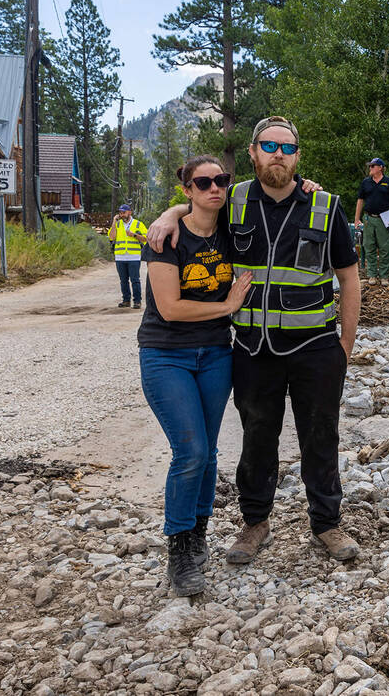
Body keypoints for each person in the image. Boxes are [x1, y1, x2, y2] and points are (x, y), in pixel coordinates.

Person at [149, 115, 362, 564]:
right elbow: (194, 210)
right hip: (253, 349)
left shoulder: (325, 205)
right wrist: (168, 214)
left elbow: (349, 277)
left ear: (298, 156)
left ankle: (326, 524)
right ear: (253, 152)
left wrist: (346, 344)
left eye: (286, 148)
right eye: (269, 146)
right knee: (257, 439)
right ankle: (254, 523)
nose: (277, 155)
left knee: (320, 438)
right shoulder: (234, 199)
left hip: (316, 348)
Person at [139, 155, 252, 596]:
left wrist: (309, 185)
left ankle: (198, 533)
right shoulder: (166, 238)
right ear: (187, 189)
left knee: (207, 454)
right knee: (189, 451)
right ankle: (179, 550)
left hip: (216, 356)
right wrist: (227, 307)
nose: (214, 188)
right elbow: (169, 307)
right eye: (202, 182)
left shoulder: (231, 233)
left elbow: (273, 197)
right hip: (167, 355)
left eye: (221, 180)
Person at [354, 158, 389, 282]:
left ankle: (384, 276)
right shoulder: (366, 182)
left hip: (384, 219)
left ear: (380, 168)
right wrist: (357, 219)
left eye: (373, 166)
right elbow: (360, 200)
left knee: (385, 248)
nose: (370, 168)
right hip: (369, 218)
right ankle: (372, 275)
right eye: (370, 166)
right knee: (369, 246)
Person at [109, 204, 148, 308]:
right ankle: (126, 300)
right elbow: (112, 237)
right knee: (123, 280)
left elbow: (146, 238)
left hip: (134, 257)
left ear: (129, 212)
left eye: (123, 212)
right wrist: (114, 221)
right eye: (120, 213)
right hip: (120, 257)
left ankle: (137, 301)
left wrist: (134, 235)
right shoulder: (117, 224)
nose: (121, 214)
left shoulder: (138, 224)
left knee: (135, 280)